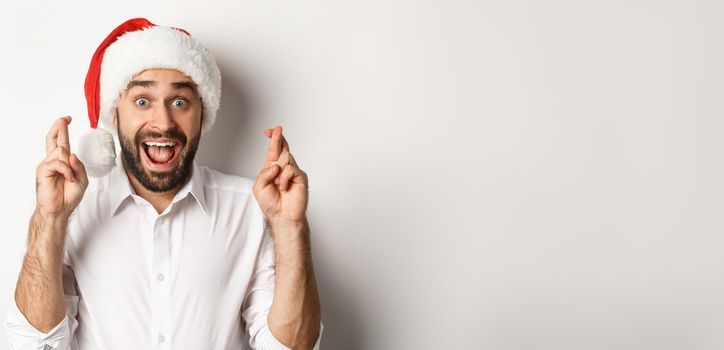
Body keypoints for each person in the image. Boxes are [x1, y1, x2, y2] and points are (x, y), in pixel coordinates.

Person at [4, 18, 323, 349]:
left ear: (203, 114)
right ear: (114, 114)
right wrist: (51, 220)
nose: (163, 122)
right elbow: (31, 346)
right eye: (142, 101)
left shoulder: (252, 207)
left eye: (180, 102)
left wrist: (291, 228)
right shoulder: (71, 207)